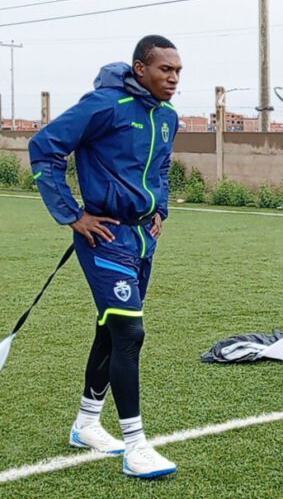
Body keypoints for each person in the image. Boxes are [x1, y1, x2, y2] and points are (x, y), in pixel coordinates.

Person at [28, 35, 181, 479]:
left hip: (142, 238)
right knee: (130, 331)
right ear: (139, 69)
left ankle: (86, 423)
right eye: (164, 70)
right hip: (104, 236)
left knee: (113, 329)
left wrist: (160, 209)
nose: (172, 79)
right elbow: (44, 147)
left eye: (177, 72)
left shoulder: (167, 117)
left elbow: (163, 167)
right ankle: (136, 446)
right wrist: (72, 214)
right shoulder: (104, 106)